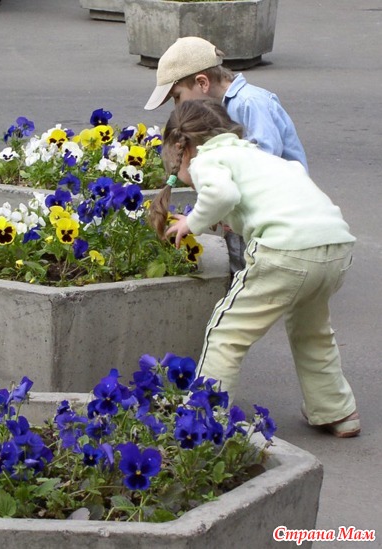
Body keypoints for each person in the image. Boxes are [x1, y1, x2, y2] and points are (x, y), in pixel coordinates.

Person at [149, 99, 360, 438]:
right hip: (335, 246)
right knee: (313, 333)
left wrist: (194, 221)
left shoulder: (208, 159)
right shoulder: (257, 156)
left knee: (226, 333)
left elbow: (221, 194)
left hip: (285, 252)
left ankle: (202, 422)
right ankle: (337, 410)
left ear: (183, 148)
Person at [145, 36, 309, 277]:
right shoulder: (221, 110)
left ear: (202, 82)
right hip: (257, 208)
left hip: (279, 207)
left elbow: (264, 157)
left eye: (177, 97)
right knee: (244, 260)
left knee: (253, 268)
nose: (177, 108)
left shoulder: (250, 103)